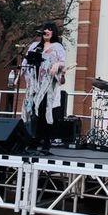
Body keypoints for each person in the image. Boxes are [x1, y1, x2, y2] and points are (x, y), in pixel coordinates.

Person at [21, 22, 65, 153]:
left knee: (45, 111)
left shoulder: (57, 47)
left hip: (47, 86)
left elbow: (62, 62)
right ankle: (32, 141)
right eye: (45, 29)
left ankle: (46, 143)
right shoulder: (34, 46)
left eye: (49, 30)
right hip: (34, 85)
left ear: (53, 32)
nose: (46, 31)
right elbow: (25, 62)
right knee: (32, 112)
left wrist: (56, 65)